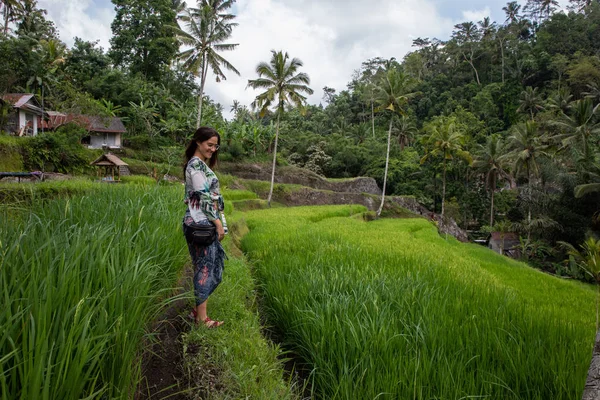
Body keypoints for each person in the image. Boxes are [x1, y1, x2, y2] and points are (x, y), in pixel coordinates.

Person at [182, 126, 228, 328]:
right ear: (198, 142)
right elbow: (203, 197)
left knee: (208, 265)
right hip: (201, 222)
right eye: (210, 145)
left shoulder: (199, 165)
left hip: (201, 221)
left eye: (215, 146)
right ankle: (201, 319)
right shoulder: (196, 166)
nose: (213, 149)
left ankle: (198, 313)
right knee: (205, 267)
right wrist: (218, 223)